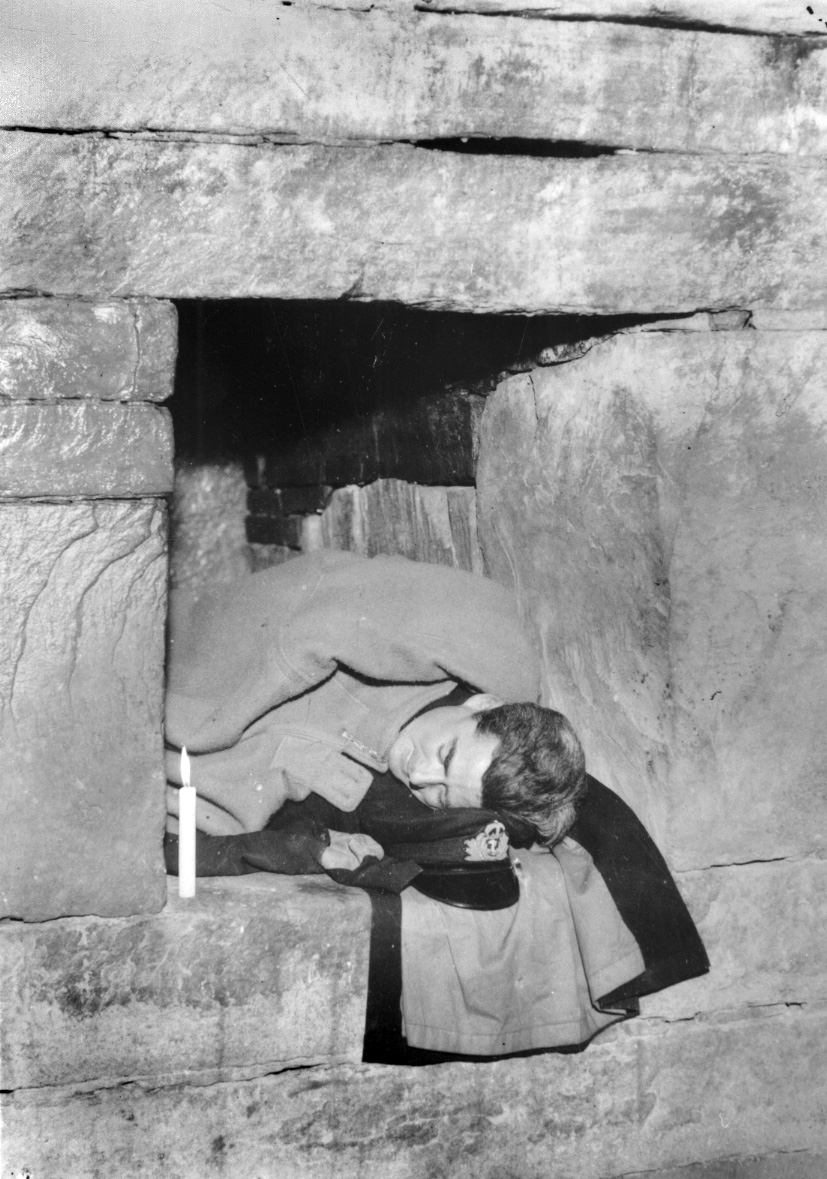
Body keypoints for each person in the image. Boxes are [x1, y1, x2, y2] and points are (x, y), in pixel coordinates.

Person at [165, 549, 708, 1060]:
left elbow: (207, 803)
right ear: (484, 702)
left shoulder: (330, 771)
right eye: (447, 755)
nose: (419, 774)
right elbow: (329, 616)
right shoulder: (477, 647)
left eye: (441, 794)